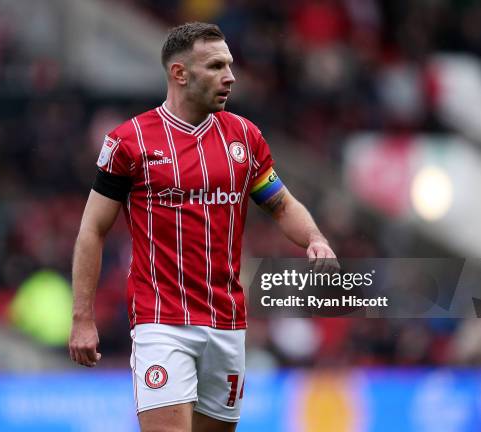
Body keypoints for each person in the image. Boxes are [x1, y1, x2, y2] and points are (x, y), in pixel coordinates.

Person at [69, 22, 337, 432]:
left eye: (229, 65)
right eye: (215, 66)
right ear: (180, 73)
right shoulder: (131, 142)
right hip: (162, 322)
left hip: (227, 322)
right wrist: (82, 318)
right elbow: (92, 229)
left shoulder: (244, 138)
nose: (230, 76)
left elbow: (280, 204)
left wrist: (315, 238)